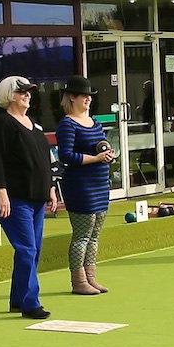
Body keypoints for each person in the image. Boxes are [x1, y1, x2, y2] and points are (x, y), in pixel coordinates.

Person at [0, 75, 54, 318]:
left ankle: (18, 299)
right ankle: (30, 303)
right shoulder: (3, 123)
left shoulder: (32, 123)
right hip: (15, 197)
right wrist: (1, 191)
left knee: (33, 248)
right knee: (27, 249)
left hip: (36, 196)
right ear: (9, 95)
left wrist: (51, 189)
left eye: (29, 91)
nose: (27, 95)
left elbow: (43, 159)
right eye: (22, 91)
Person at [55, 76, 115, 295]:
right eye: (84, 96)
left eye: (90, 96)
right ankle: (78, 281)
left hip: (99, 185)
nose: (88, 99)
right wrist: (97, 159)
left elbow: (99, 146)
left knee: (95, 234)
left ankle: (91, 278)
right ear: (72, 97)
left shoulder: (95, 122)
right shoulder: (67, 124)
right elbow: (66, 156)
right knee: (82, 234)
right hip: (81, 187)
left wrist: (107, 155)